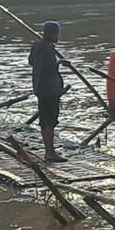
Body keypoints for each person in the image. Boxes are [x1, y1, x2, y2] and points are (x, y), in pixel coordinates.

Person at [28, 21, 66, 162]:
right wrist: (60, 63)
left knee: (45, 120)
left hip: (40, 88)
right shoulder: (46, 49)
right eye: (57, 33)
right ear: (52, 33)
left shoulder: (38, 46)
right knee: (49, 121)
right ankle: (50, 152)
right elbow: (49, 70)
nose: (58, 36)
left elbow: (31, 62)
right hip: (48, 90)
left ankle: (49, 151)